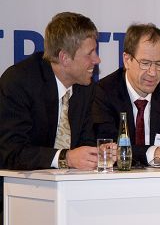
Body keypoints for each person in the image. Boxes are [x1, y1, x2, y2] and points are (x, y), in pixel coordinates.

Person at [0, 12, 100, 171]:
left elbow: (85, 141)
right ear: (64, 58)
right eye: (90, 53)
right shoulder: (19, 81)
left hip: (65, 183)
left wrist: (96, 153)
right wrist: (65, 157)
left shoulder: (85, 87)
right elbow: (12, 152)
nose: (97, 60)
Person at [93, 23, 160, 166]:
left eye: (159, 64)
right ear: (127, 60)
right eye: (145, 63)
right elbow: (109, 149)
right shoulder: (104, 92)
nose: (153, 72)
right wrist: (156, 153)